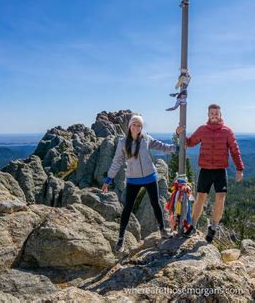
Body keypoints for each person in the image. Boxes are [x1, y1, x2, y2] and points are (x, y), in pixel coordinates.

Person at [102, 114, 177, 252]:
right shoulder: (123, 142)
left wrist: (175, 147)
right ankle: (120, 240)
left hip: (150, 176)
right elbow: (117, 161)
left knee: (156, 204)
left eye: (139, 125)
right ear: (130, 126)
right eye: (134, 124)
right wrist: (109, 179)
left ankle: (163, 230)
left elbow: (160, 145)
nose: (136, 127)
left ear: (141, 127)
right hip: (133, 180)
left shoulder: (146, 138)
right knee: (127, 208)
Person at [175, 104, 244, 243]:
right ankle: (193, 225)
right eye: (212, 113)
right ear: (208, 115)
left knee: (220, 198)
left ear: (220, 115)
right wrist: (179, 133)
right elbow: (189, 142)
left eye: (216, 113)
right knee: (200, 197)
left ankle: (213, 227)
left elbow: (235, 150)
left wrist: (239, 169)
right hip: (205, 169)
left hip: (220, 170)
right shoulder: (202, 130)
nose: (214, 115)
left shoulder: (227, 131)